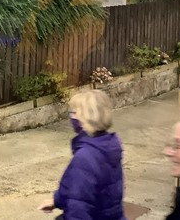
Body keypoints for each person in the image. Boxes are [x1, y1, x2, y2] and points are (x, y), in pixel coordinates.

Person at [38, 90, 126, 220]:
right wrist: (57, 200)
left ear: (86, 116)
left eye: (74, 112)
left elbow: (78, 208)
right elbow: (83, 191)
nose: (71, 116)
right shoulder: (109, 147)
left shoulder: (85, 157)